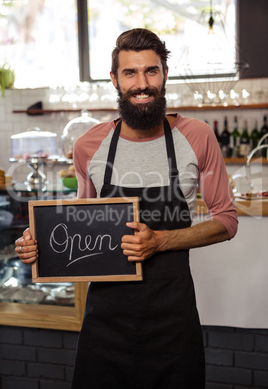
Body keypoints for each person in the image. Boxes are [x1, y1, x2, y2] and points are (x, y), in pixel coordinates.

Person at [15, 28, 238, 389]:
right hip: (106, 321)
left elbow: (227, 220)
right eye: (130, 73)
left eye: (151, 71)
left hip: (172, 319)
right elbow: (79, 221)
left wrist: (160, 242)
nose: (142, 83)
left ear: (165, 74)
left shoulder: (196, 136)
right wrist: (38, 240)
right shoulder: (90, 145)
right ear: (115, 80)